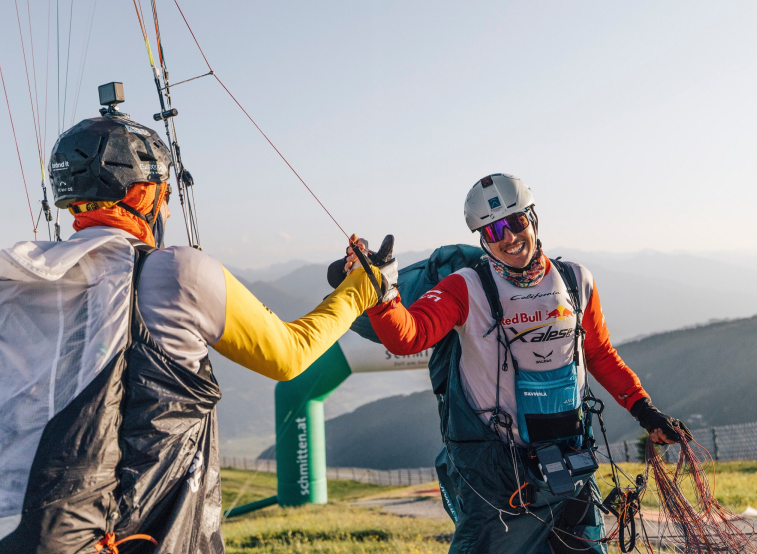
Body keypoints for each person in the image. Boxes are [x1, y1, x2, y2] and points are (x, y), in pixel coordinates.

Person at [0, 112, 396, 553]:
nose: (167, 207)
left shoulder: (18, 282)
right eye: (165, 193)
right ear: (142, 192)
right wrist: (362, 288)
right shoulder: (174, 272)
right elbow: (290, 355)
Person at [337, 174, 690, 554]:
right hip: (497, 474)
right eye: (493, 231)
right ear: (482, 238)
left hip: (569, 461)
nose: (508, 237)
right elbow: (410, 336)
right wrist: (382, 295)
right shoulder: (464, 286)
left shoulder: (575, 280)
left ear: (533, 218)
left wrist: (646, 412)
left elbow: (600, 355)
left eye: (515, 222)